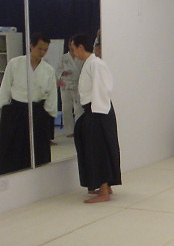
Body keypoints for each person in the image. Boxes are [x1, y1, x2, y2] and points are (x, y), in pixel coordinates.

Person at [69, 33, 121, 203]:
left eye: (73, 49)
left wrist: (96, 115)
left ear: (80, 47)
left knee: (99, 150)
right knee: (96, 148)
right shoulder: (89, 64)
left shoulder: (96, 64)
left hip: (98, 110)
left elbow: (102, 89)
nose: (73, 53)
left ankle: (104, 191)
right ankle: (105, 186)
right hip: (94, 110)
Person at [0, 32, 57, 174]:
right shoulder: (15, 63)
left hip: (38, 111)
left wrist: (48, 114)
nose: (42, 52)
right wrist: (4, 109)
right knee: (13, 148)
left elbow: (52, 94)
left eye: (45, 49)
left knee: (38, 150)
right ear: (31, 46)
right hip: (16, 110)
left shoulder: (48, 70)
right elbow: (5, 87)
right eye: (40, 48)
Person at [57, 39, 84, 137]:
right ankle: (69, 131)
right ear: (68, 45)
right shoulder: (63, 57)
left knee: (78, 109)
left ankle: (79, 130)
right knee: (66, 108)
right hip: (65, 85)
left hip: (77, 84)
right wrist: (62, 73)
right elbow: (57, 70)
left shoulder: (81, 57)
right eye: (71, 45)